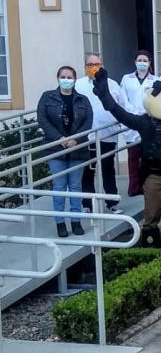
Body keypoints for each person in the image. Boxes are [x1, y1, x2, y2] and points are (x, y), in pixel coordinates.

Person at [91, 68, 161, 247]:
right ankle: (150, 249)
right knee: (151, 217)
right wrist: (106, 97)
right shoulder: (146, 122)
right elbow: (123, 116)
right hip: (154, 175)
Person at [37, 66, 92, 237]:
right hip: (56, 148)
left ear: (75, 79)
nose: (66, 79)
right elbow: (43, 119)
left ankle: (76, 221)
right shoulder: (48, 97)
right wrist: (59, 138)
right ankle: (60, 223)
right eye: (63, 76)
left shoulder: (82, 100)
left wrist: (76, 139)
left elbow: (88, 122)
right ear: (58, 78)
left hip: (77, 149)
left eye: (70, 77)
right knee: (59, 186)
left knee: (75, 186)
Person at [75, 53, 122, 213]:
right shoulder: (78, 85)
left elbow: (123, 106)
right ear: (85, 67)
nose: (94, 67)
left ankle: (112, 202)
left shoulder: (113, 84)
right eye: (91, 64)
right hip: (86, 135)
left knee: (108, 168)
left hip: (108, 134)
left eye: (98, 64)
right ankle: (87, 204)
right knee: (88, 170)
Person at [120, 51, 158, 197]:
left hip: (148, 119)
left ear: (149, 63)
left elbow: (156, 100)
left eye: (145, 60)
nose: (142, 63)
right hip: (132, 119)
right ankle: (133, 187)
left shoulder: (155, 80)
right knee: (133, 156)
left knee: (147, 156)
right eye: (140, 60)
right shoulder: (126, 79)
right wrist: (134, 112)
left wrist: (145, 112)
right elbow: (123, 99)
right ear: (135, 61)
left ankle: (145, 185)